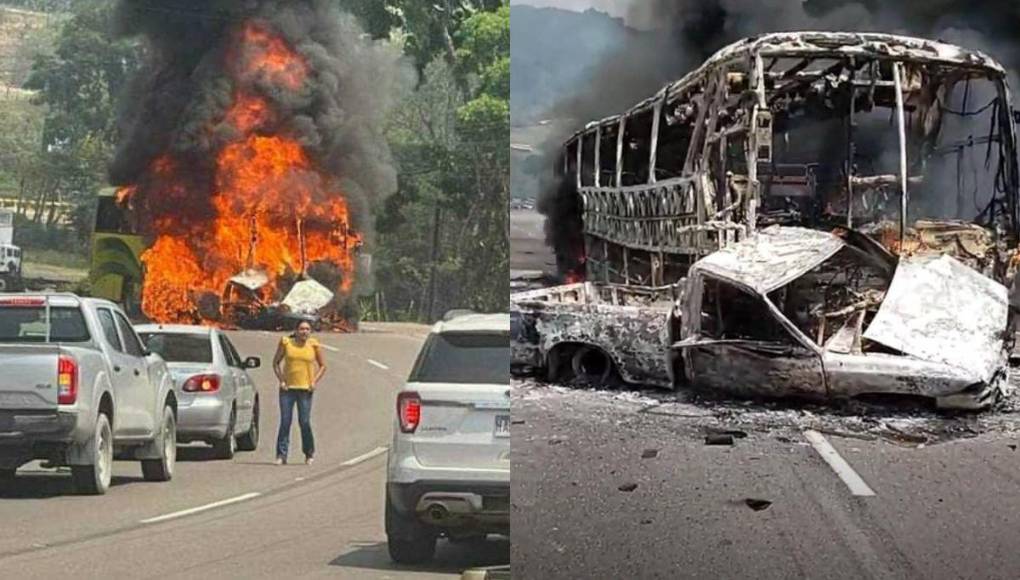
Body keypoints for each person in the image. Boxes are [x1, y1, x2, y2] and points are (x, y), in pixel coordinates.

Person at [272, 320, 326, 465]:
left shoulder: (313, 345)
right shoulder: (286, 343)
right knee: (285, 421)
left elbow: (322, 366)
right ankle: (281, 455)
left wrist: (314, 381)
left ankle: (309, 453)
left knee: (304, 422)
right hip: (288, 389)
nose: (304, 332)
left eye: (307, 329)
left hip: (305, 389)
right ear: (296, 331)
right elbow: (276, 363)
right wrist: (281, 380)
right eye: (301, 329)